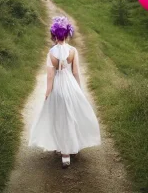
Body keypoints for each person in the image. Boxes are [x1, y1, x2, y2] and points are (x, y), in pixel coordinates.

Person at [28, 16, 101, 168]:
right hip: (70, 85)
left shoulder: (51, 53)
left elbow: (50, 75)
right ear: (68, 34)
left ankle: (63, 151)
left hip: (57, 86)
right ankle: (71, 149)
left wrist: (48, 92)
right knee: (72, 115)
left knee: (59, 117)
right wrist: (79, 89)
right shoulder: (73, 51)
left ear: (54, 35)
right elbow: (75, 72)